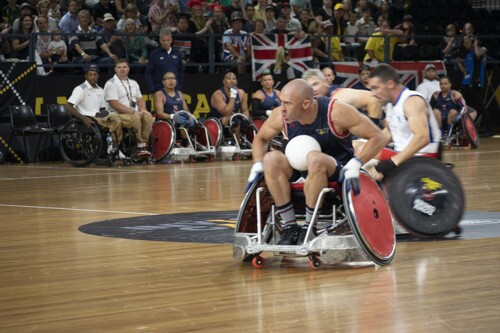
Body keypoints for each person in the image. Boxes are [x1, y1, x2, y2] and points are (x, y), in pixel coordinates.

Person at [247, 79, 385, 245]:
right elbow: (261, 139)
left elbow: (378, 136)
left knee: (314, 158)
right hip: (300, 168)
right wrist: (257, 164)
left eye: (287, 103)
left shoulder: (336, 112)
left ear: (305, 104)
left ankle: (309, 227)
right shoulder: (281, 115)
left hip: (336, 167)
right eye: (281, 102)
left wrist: (357, 162)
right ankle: (290, 228)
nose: (281, 108)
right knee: (270, 159)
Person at [360, 64, 442, 181]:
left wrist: (392, 162)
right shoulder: (390, 105)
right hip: (404, 155)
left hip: (423, 158)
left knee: (359, 149)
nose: (372, 93)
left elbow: (423, 138)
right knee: (358, 147)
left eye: (375, 88)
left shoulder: (411, 101)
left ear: (390, 84)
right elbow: (387, 134)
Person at [65, 64, 123, 154]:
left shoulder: (101, 90)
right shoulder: (80, 89)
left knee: (118, 119)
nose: (92, 77)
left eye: (95, 75)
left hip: (98, 117)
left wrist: (108, 114)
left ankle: (114, 146)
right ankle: (114, 148)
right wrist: (83, 118)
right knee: (115, 120)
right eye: (90, 74)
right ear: (86, 76)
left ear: (98, 76)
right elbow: (68, 106)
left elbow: (103, 109)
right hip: (85, 119)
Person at [104, 59, 154, 158]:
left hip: (133, 112)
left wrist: (143, 109)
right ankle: (139, 145)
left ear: (128, 69)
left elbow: (140, 99)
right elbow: (114, 104)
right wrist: (133, 111)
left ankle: (142, 145)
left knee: (148, 117)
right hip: (116, 114)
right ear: (115, 69)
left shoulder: (133, 83)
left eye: (124, 67)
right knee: (135, 118)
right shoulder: (111, 83)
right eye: (119, 67)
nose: (122, 69)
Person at [302, 68, 383, 127]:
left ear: (324, 82)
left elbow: (373, 99)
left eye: (315, 84)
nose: (313, 89)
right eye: (309, 87)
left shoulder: (338, 95)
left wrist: (370, 134)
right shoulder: (319, 102)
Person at [208, 70, 250, 144]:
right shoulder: (218, 94)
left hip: (233, 116)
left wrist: (245, 119)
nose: (232, 81)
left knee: (248, 121)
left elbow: (245, 110)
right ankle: (238, 143)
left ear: (236, 82)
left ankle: (250, 142)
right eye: (229, 79)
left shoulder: (241, 93)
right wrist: (233, 96)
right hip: (218, 119)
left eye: (233, 79)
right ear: (224, 82)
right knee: (233, 120)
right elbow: (227, 113)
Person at [153, 71, 193, 147]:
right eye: (168, 79)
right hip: (166, 120)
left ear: (176, 81)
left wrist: (189, 116)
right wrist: (173, 116)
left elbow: (186, 109)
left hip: (179, 119)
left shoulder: (180, 93)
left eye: (173, 78)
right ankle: (186, 144)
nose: (171, 80)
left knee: (192, 122)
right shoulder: (159, 94)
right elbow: (159, 113)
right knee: (184, 123)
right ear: (163, 82)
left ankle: (198, 146)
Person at [145, 27, 184, 93]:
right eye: (164, 40)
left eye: (168, 40)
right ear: (160, 40)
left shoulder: (177, 53)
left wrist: (179, 87)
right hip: (159, 90)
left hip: (175, 90)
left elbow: (180, 71)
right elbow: (148, 72)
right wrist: (152, 89)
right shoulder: (154, 54)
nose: (166, 43)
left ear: (171, 40)